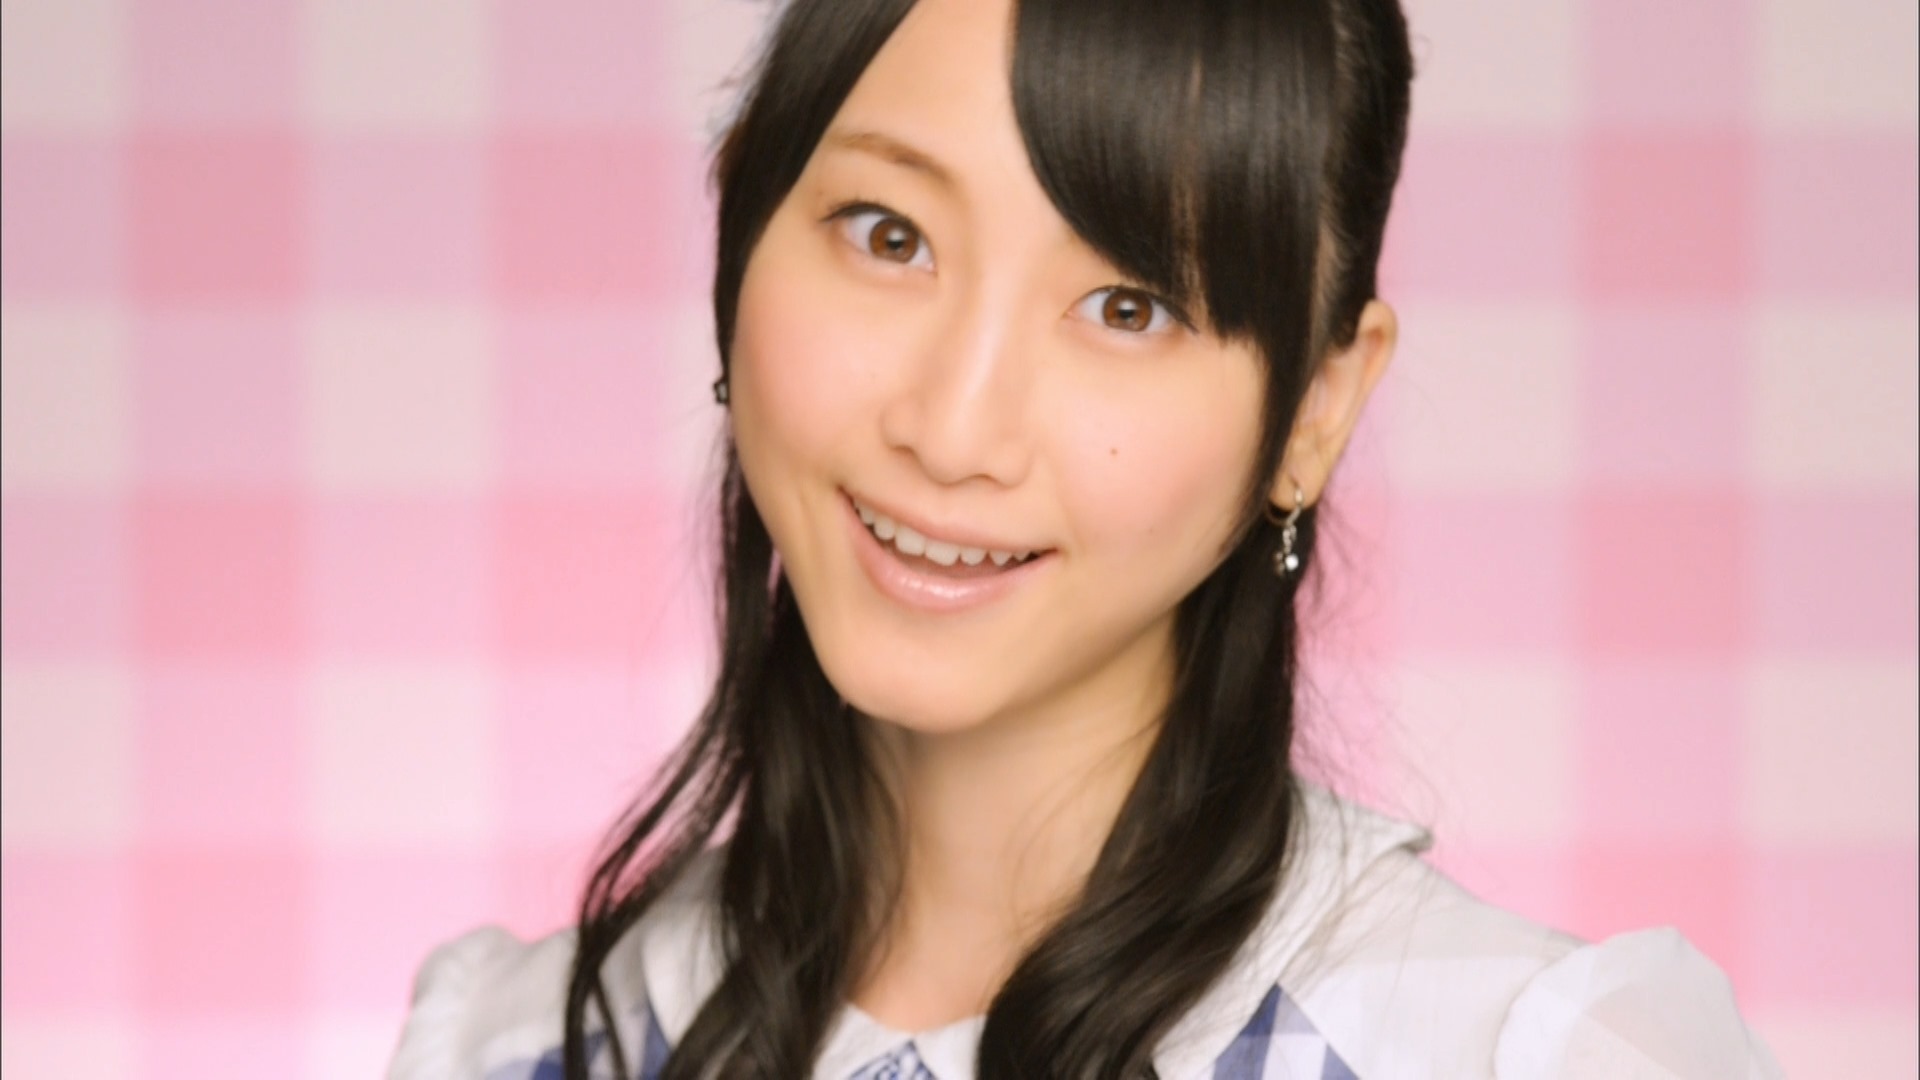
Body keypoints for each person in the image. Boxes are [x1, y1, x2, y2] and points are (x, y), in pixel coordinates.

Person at [390, 0, 1781, 1076]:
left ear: (1315, 407)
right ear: (741, 225)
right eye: (888, 235)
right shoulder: (504, 1046)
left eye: (1129, 307)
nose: (954, 430)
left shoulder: (1524, 1054)